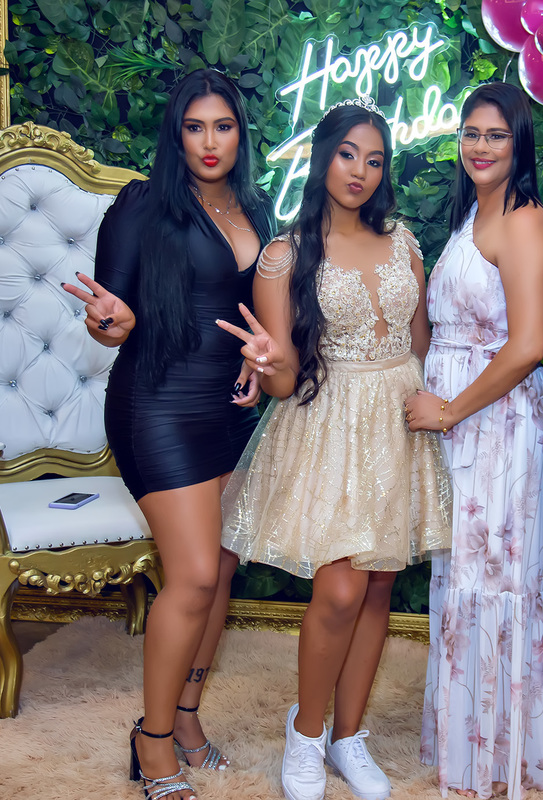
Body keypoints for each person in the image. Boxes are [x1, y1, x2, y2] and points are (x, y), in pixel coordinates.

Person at [218, 98, 452, 800]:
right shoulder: (284, 256)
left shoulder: (405, 241)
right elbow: (285, 378)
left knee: (379, 584)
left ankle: (349, 737)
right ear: (324, 158)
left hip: (396, 421)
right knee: (342, 587)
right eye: (348, 154)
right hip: (329, 425)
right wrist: (265, 362)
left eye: (375, 160)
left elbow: (419, 344)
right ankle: (306, 732)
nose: (360, 171)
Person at [62, 69, 275, 800]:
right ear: (175, 134)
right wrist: (110, 322)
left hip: (229, 409)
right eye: (194, 126)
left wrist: (257, 363)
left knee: (223, 567)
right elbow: (110, 311)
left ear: (240, 134)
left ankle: (185, 717)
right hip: (156, 404)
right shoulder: (142, 205)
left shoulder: (256, 208)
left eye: (223, 126)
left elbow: (255, 315)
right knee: (194, 576)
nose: (210, 142)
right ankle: (151, 741)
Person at [408, 82, 543, 800]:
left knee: (493, 581)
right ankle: (466, 746)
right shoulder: (473, 212)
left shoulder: (525, 222)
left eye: (496, 134)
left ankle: (496, 759)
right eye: (470, 132)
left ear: (519, 142)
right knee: (462, 578)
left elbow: (528, 345)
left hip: (496, 426)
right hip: (464, 424)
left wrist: (448, 411)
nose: (479, 145)